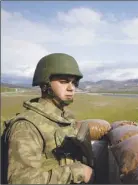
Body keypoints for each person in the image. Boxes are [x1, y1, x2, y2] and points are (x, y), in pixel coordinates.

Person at [3, 53, 94, 184]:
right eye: (63, 82)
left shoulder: (64, 119)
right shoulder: (27, 126)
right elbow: (20, 180)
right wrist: (77, 172)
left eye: (74, 83)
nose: (71, 88)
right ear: (45, 84)